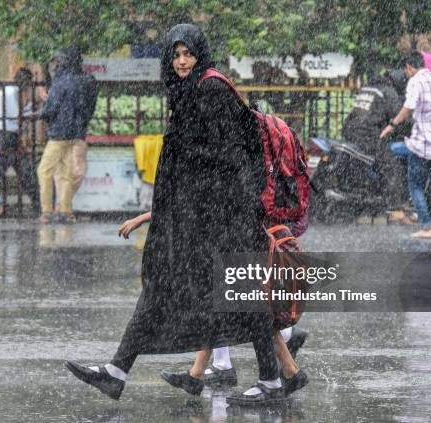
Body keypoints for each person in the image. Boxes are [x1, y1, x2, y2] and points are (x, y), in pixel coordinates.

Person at [65, 24, 283, 405]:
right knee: (165, 286)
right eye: (176, 54)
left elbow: (229, 155)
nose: (182, 61)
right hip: (194, 214)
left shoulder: (211, 89)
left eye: (188, 54)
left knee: (238, 294)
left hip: (223, 215)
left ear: (200, 54)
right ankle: (117, 370)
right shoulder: (184, 91)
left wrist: (187, 161)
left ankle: (272, 380)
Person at [119, 212, 309, 397]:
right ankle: (203, 372)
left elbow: (193, 207)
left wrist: (143, 218)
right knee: (227, 306)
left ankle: (279, 372)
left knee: (245, 309)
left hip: (254, 243)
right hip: (255, 240)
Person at [380, 51, 431, 238]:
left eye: (406, 70)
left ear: (410, 68)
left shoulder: (415, 82)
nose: (406, 73)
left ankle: (427, 227)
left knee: (415, 186)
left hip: (421, 144)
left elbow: (408, 107)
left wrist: (392, 126)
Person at [37, 48, 98, 224]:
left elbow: (51, 109)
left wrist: (44, 106)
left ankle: (47, 211)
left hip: (59, 134)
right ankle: (65, 210)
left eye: (57, 62)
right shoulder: (86, 81)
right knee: (65, 172)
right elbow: (89, 107)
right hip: (76, 133)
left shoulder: (61, 82)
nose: (55, 65)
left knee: (44, 171)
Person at [0, 67, 37, 216]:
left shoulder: (9, 91)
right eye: (28, 83)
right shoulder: (11, 92)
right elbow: (16, 116)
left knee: (20, 171)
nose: (28, 87)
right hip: (7, 135)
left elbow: (19, 115)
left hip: (7, 135)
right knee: (1, 172)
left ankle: (37, 204)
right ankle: (37, 204)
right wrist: (33, 109)